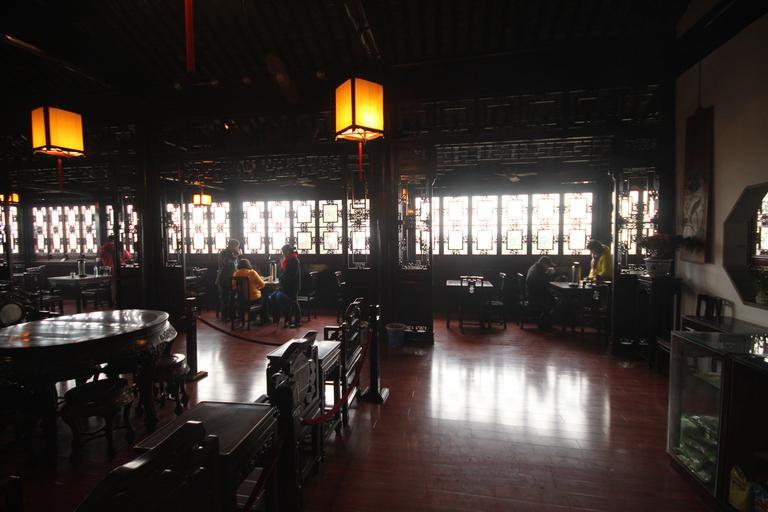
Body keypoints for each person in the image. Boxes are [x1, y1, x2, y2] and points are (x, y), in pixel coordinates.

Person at [268, 244, 302, 328]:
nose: (283, 254)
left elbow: (291, 274)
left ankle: (297, 321)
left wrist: (282, 278)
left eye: (283, 252)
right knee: (288, 302)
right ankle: (288, 320)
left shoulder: (293, 260)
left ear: (287, 251)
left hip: (292, 285)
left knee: (294, 302)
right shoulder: (288, 259)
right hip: (287, 285)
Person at [526, 256, 557, 331]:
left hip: (531, 294)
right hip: (535, 296)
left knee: (552, 299)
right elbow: (543, 287)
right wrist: (553, 294)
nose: (549, 267)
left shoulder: (535, 268)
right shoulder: (538, 272)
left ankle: (545, 322)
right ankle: (544, 324)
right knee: (554, 301)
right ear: (544, 264)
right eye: (548, 265)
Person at [215, 239, 241, 320]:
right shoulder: (223, 253)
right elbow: (226, 262)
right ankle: (224, 316)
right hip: (223, 279)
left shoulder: (234, 254)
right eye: (237, 247)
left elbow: (236, 266)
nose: (237, 248)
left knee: (233, 298)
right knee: (225, 298)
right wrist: (235, 256)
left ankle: (232, 314)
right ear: (232, 246)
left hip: (232, 279)